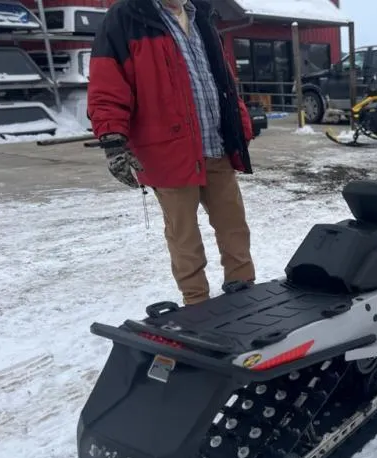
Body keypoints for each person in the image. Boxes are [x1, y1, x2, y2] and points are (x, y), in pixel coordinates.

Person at [87, 0, 256, 305]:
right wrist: (113, 141)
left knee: (234, 226)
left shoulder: (201, 14)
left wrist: (240, 124)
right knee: (184, 236)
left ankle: (242, 290)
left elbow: (222, 77)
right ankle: (197, 305)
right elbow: (107, 85)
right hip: (167, 151)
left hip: (215, 144)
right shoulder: (126, 18)